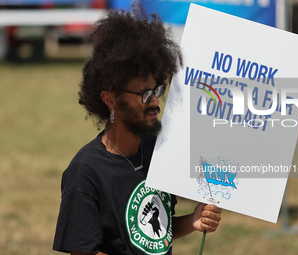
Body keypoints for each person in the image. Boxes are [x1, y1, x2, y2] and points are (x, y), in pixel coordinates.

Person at [53, 5, 221, 255]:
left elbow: (155, 232)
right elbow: (82, 251)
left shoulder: (156, 150)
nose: (154, 101)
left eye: (156, 90)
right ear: (110, 99)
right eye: (143, 94)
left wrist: (192, 221)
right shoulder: (86, 172)